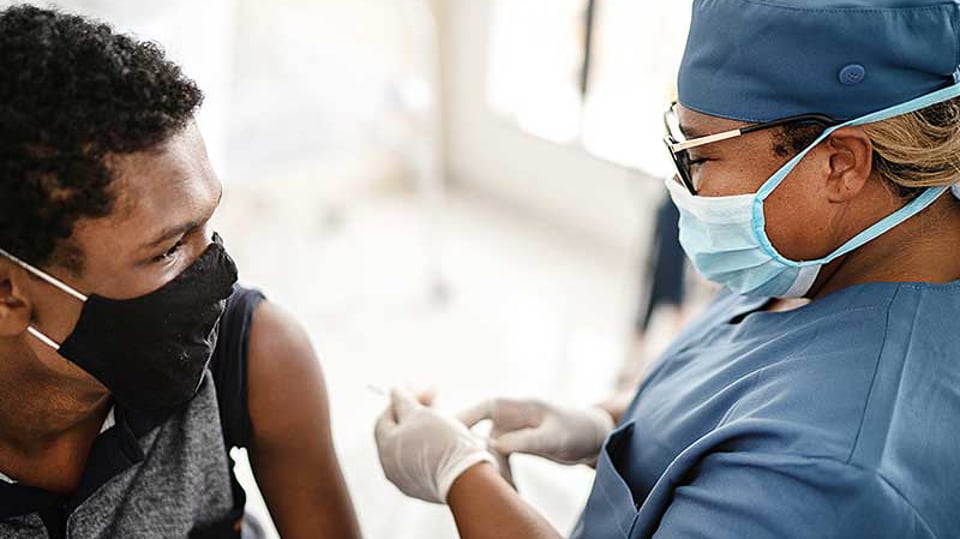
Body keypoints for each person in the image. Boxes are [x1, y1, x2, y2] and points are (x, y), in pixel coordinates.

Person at [374, 0, 960, 537]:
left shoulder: (837, 473)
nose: (684, 187)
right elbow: (741, 387)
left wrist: (461, 476)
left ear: (840, 165)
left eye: (701, 157)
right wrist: (606, 426)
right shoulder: (816, 259)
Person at [0, 6, 360, 538]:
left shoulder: (259, 354)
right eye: (167, 250)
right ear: (9, 294)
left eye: (207, 226)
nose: (218, 273)